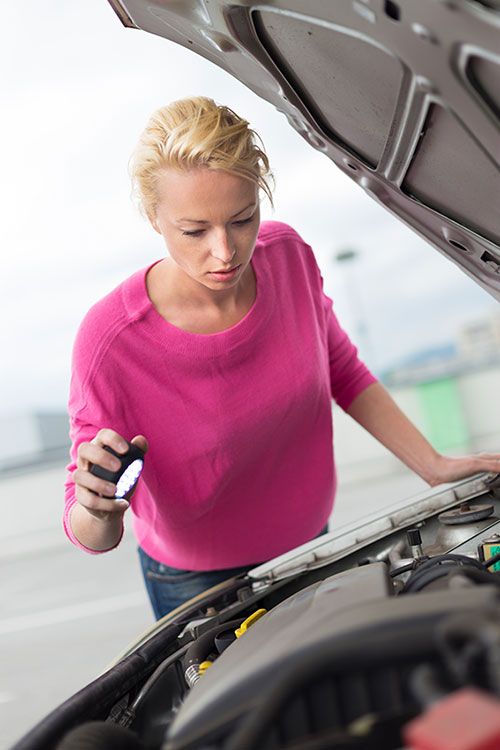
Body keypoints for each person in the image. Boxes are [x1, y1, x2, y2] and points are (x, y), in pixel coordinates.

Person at [64, 96, 500, 620]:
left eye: (242, 219)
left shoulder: (289, 257)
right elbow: (92, 532)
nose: (225, 251)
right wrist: (96, 507)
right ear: (154, 217)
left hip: (313, 545)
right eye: (195, 231)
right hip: (195, 585)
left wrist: (431, 464)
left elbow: (340, 367)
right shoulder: (110, 341)